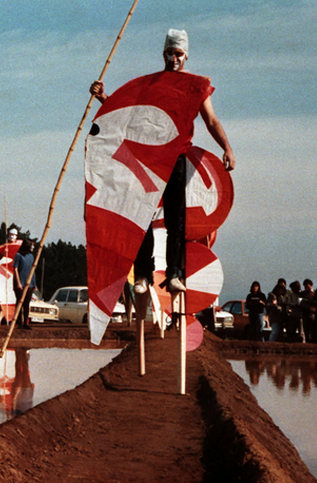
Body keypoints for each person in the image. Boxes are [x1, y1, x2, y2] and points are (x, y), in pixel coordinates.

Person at [90, 29, 235, 295]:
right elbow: (126, 114)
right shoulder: (150, 84)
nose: (174, 58)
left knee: (175, 220)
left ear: (186, 55)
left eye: (178, 53)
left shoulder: (196, 86)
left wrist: (227, 148)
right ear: (163, 54)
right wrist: (103, 98)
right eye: (170, 52)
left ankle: (175, 274)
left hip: (176, 156)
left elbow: (211, 120)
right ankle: (144, 275)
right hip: (147, 158)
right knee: (142, 214)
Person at [13, 239, 36, 330]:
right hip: (20, 283)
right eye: (31, 246)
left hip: (29, 283)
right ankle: (19, 322)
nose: (33, 247)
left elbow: (32, 270)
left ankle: (26, 322)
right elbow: (15, 269)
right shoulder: (18, 256)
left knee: (27, 303)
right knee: (19, 302)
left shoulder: (31, 256)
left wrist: (34, 283)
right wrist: (18, 283)